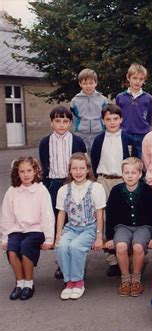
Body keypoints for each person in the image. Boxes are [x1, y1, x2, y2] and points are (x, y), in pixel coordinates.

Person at [38, 106, 87, 279]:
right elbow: (44, 165)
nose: (61, 124)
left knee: (74, 221)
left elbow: (82, 164)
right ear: (51, 123)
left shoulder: (77, 141)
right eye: (57, 121)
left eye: (65, 121)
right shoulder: (45, 142)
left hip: (72, 183)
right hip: (53, 184)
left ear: (70, 123)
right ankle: (61, 262)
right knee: (57, 222)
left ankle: (78, 259)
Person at [91, 103, 137, 277]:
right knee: (104, 217)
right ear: (103, 121)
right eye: (108, 119)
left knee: (125, 216)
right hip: (104, 179)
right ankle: (112, 259)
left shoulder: (128, 139)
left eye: (115, 119)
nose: (112, 122)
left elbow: (134, 160)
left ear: (121, 120)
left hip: (124, 180)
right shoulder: (98, 140)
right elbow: (94, 160)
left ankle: (127, 256)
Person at [104, 158, 152, 297]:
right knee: (121, 246)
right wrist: (110, 237)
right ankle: (125, 279)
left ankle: (136, 279)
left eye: (133, 172)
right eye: (126, 172)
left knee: (137, 246)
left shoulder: (147, 190)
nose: (130, 176)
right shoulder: (116, 191)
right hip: (122, 227)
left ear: (140, 174)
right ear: (122, 174)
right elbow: (110, 215)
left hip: (143, 227)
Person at [1, 157, 55, 300]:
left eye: (29, 171)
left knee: (25, 248)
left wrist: (49, 237)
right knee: (12, 250)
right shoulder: (12, 191)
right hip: (17, 229)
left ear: (36, 171)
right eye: (22, 171)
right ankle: (19, 283)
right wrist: (5, 236)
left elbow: (47, 215)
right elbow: (7, 216)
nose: (26, 175)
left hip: (36, 229)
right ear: (17, 173)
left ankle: (29, 284)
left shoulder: (41, 190)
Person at [55, 153, 106, 300]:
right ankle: (69, 282)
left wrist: (98, 236)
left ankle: (78, 282)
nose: (78, 172)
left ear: (88, 170)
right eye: (74, 168)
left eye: (82, 168)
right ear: (70, 170)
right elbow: (61, 214)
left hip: (89, 227)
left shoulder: (95, 188)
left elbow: (99, 213)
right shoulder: (64, 190)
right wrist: (58, 235)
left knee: (76, 247)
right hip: (71, 227)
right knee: (62, 246)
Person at [115, 63, 152, 158]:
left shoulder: (148, 98)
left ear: (144, 80)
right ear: (128, 78)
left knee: (141, 161)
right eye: (135, 78)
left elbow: (149, 117)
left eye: (141, 79)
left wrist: (146, 129)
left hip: (142, 135)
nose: (137, 81)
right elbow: (117, 116)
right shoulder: (120, 97)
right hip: (125, 133)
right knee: (124, 159)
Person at [70, 68, 108, 152]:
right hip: (81, 135)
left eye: (91, 83)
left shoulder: (103, 100)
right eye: (85, 83)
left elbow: (106, 116)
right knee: (82, 159)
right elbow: (74, 116)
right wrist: (77, 129)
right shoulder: (75, 100)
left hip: (98, 133)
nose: (88, 86)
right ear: (80, 84)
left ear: (96, 83)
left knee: (97, 159)